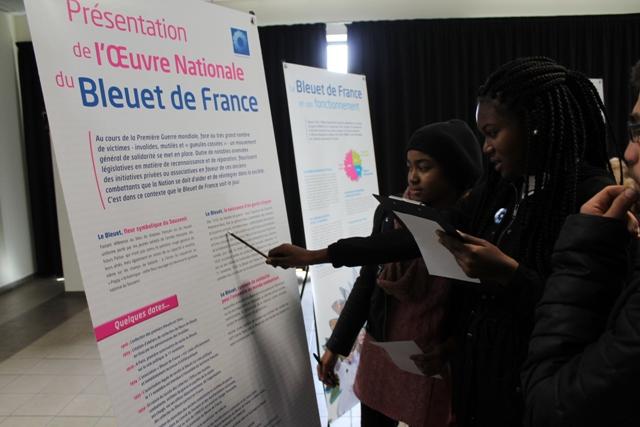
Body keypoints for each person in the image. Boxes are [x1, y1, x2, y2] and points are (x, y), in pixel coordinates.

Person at [268, 57, 614, 426]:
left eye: (493, 133)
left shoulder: (590, 197)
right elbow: (413, 241)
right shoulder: (501, 192)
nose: (486, 148)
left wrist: (509, 275)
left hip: (534, 393)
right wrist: (320, 254)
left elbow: (587, 314)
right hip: (481, 389)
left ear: (533, 127)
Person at [320, 120, 482, 427]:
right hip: (382, 353)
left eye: (424, 166)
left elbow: (475, 304)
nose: (413, 176)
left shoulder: (470, 227)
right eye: (409, 166)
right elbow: (367, 283)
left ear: (453, 169)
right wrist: (336, 345)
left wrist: (450, 347)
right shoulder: (390, 214)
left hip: (432, 360)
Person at [521, 60, 640, 426]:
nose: (630, 153)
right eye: (634, 130)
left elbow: (549, 403)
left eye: (496, 131)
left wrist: (586, 250)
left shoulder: (588, 191)